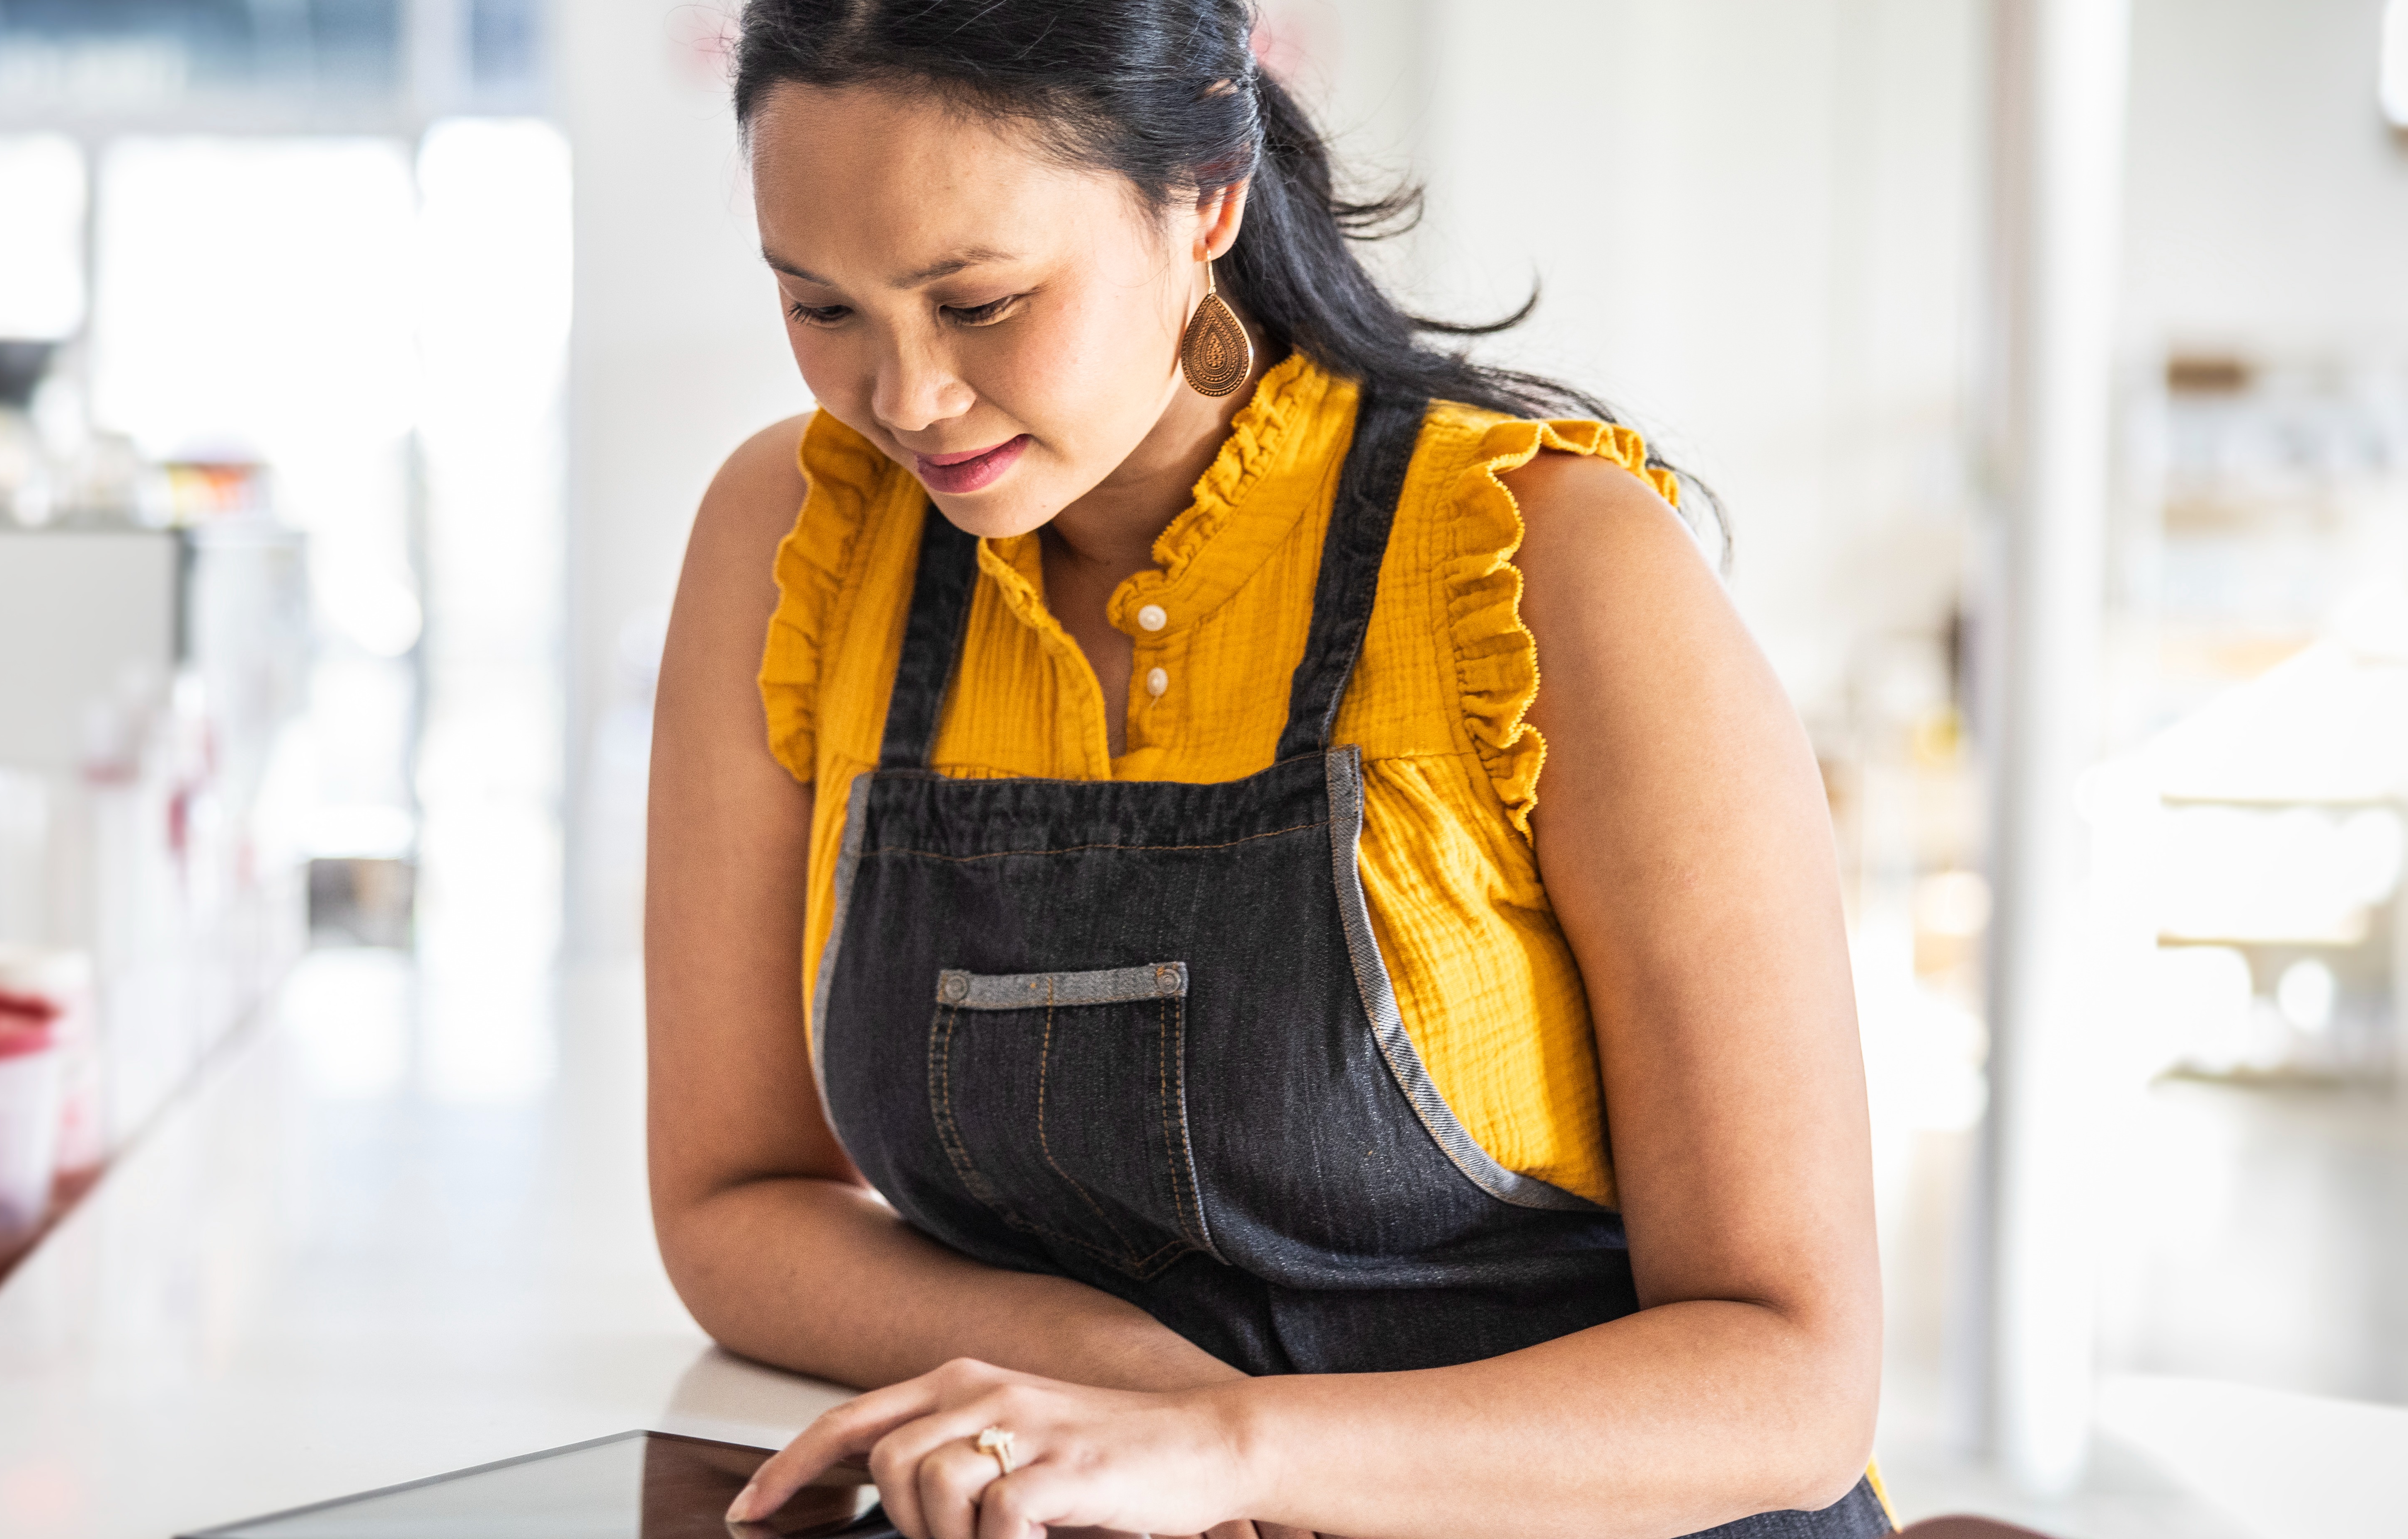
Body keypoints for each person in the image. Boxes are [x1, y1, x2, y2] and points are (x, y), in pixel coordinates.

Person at [642, 4, 1890, 1537]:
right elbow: (732, 1206)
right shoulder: (801, 541)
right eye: (822, 306)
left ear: (1205, 199)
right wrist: (1120, 1379)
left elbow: (1795, 1380)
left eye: (980, 302)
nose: (905, 398)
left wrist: (1237, 1444)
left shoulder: (1548, 567)